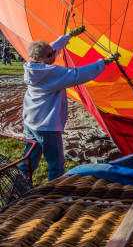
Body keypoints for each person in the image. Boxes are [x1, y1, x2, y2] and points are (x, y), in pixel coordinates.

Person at [19, 26, 120, 181]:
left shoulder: (32, 66)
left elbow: (52, 48)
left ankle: (17, 185)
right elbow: (77, 75)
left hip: (30, 122)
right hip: (47, 126)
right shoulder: (50, 73)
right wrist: (103, 62)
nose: (54, 53)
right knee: (56, 164)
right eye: (50, 54)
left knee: (29, 160)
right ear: (43, 59)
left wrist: (69, 36)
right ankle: (54, 193)